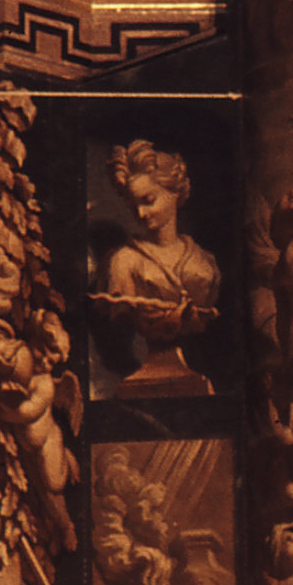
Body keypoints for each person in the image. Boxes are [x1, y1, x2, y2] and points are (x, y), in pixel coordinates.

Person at [91, 140, 221, 396]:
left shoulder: (204, 263)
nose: (140, 213)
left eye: (148, 201)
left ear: (173, 192)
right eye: (133, 205)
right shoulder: (123, 263)